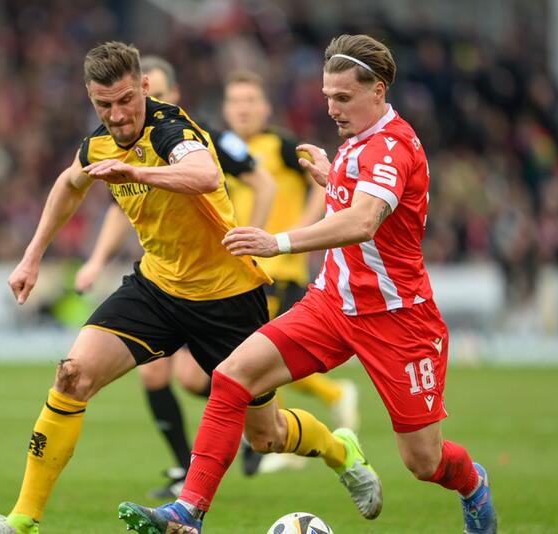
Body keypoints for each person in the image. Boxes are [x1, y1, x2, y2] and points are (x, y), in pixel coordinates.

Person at [0, 41, 377, 534]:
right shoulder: (97, 144)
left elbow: (201, 172)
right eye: (103, 105)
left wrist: (136, 170)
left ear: (145, 87)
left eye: (125, 100)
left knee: (266, 436)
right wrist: (32, 256)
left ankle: (339, 449)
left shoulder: (173, 130)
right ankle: (21, 520)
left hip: (227, 297)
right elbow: (69, 185)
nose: (117, 114)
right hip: (157, 286)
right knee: (71, 376)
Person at [118, 34, 497, 534]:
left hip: (397, 318)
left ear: (378, 90)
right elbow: (359, 203)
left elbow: (363, 222)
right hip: (332, 306)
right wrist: (331, 177)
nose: (333, 108)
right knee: (232, 376)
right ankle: (188, 511)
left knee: (423, 462)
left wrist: (278, 242)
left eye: (343, 97)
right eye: (327, 97)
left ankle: (472, 485)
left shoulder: (391, 147)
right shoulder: (358, 143)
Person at [73, 55, 277, 499]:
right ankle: (184, 468)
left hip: (223, 279)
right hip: (164, 281)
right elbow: (116, 203)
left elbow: (262, 183)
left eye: (153, 96)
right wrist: (95, 261)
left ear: (165, 95)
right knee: (152, 375)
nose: (125, 114)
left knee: (202, 382)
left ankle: (263, 431)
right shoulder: (123, 142)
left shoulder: (206, 137)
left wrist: (255, 238)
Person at [221, 70, 360, 473]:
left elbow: (324, 184)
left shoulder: (280, 145)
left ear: (265, 107)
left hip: (280, 266)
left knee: (258, 355)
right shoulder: (225, 150)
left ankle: (277, 440)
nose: (243, 109)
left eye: (250, 101)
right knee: (254, 356)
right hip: (246, 266)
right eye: (235, 102)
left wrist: (301, 228)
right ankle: (329, 398)